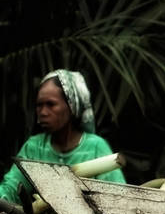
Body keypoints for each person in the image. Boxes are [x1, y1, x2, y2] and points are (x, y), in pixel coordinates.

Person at [0, 69, 126, 204]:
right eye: (39, 105)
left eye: (50, 104)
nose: (43, 112)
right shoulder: (34, 147)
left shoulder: (95, 147)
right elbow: (11, 187)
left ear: (72, 106)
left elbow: (118, 198)